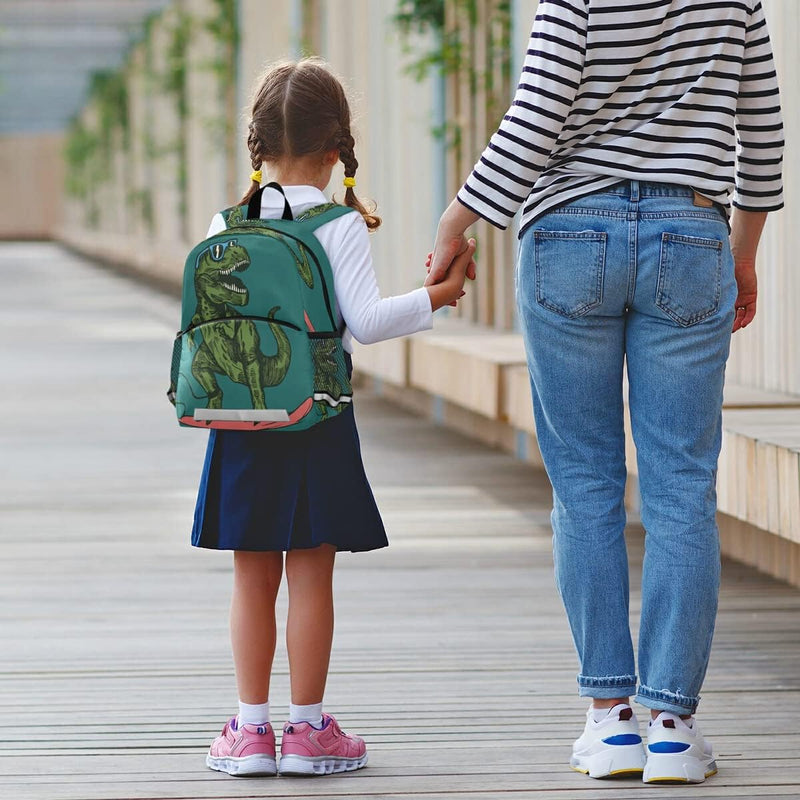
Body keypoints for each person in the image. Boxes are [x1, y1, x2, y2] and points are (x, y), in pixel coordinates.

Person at [427, 0, 783, 785]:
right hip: (692, 234)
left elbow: (537, 114)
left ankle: (610, 722)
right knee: (681, 487)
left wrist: (457, 222)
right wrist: (744, 252)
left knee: (584, 483)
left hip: (568, 232)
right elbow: (762, 138)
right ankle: (673, 729)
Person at [194, 58, 473, 778]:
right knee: (311, 576)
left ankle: (251, 734)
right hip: (317, 419)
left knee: (250, 578)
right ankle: (310, 730)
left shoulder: (226, 222)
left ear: (255, 145)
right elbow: (371, 323)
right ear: (334, 152)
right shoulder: (336, 223)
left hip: (242, 420)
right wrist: (437, 296)